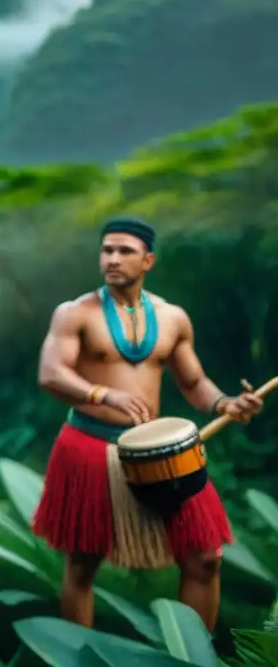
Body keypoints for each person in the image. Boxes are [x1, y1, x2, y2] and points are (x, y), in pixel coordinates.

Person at [33, 216, 263, 632]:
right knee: (82, 566)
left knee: (205, 558)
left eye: (125, 251)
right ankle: (75, 658)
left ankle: (193, 659)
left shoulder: (173, 318)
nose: (113, 259)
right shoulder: (74, 313)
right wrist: (102, 394)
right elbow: (51, 374)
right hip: (89, 445)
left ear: (149, 260)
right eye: (107, 250)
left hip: (161, 454)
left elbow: (193, 382)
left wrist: (225, 403)